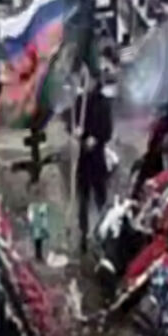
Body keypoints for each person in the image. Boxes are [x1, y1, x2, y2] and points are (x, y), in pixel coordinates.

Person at [75, 73, 114, 253]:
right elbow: (74, 124)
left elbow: (107, 130)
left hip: (97, 157)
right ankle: (83, 235)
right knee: (83, 198)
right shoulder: (80, 102)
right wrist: (77, 133)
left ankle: (105, 234)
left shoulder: (103, 103)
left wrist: (96, 139)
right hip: (83, 157)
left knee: (100, 197)